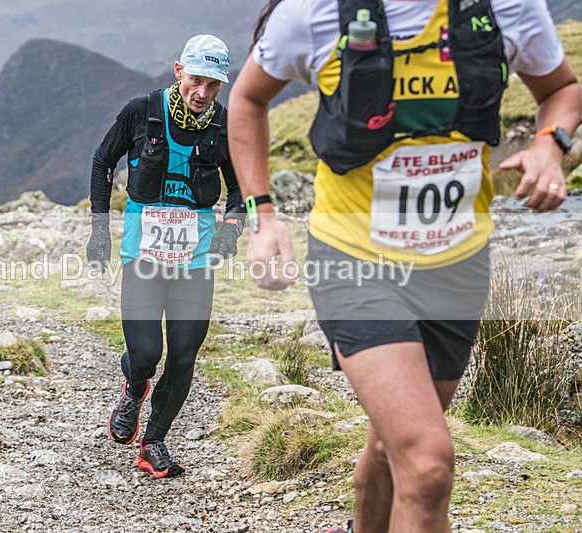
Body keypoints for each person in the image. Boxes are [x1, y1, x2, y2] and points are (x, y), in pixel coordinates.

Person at [228, 0, 580, 531]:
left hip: (457, 265)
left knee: (397, 441)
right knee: (428, 462)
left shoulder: (507, 7)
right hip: (354, 259)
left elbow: (561, 90)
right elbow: (248, 99)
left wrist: (551, 145)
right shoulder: (313, 14)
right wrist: (265, 217)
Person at [86, 34, 244, 478]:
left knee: (183, 356)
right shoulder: (142, 112)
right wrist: (100, 229)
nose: (202, 93)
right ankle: (134, 386)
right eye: (196, 80)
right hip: (142, 256)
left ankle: (153, 440)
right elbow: (103, 161)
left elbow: (239, 190)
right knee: (146, 354)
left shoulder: (223, 127)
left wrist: (231, 230)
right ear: (179, 72)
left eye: (213, 85)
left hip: (195, 263)